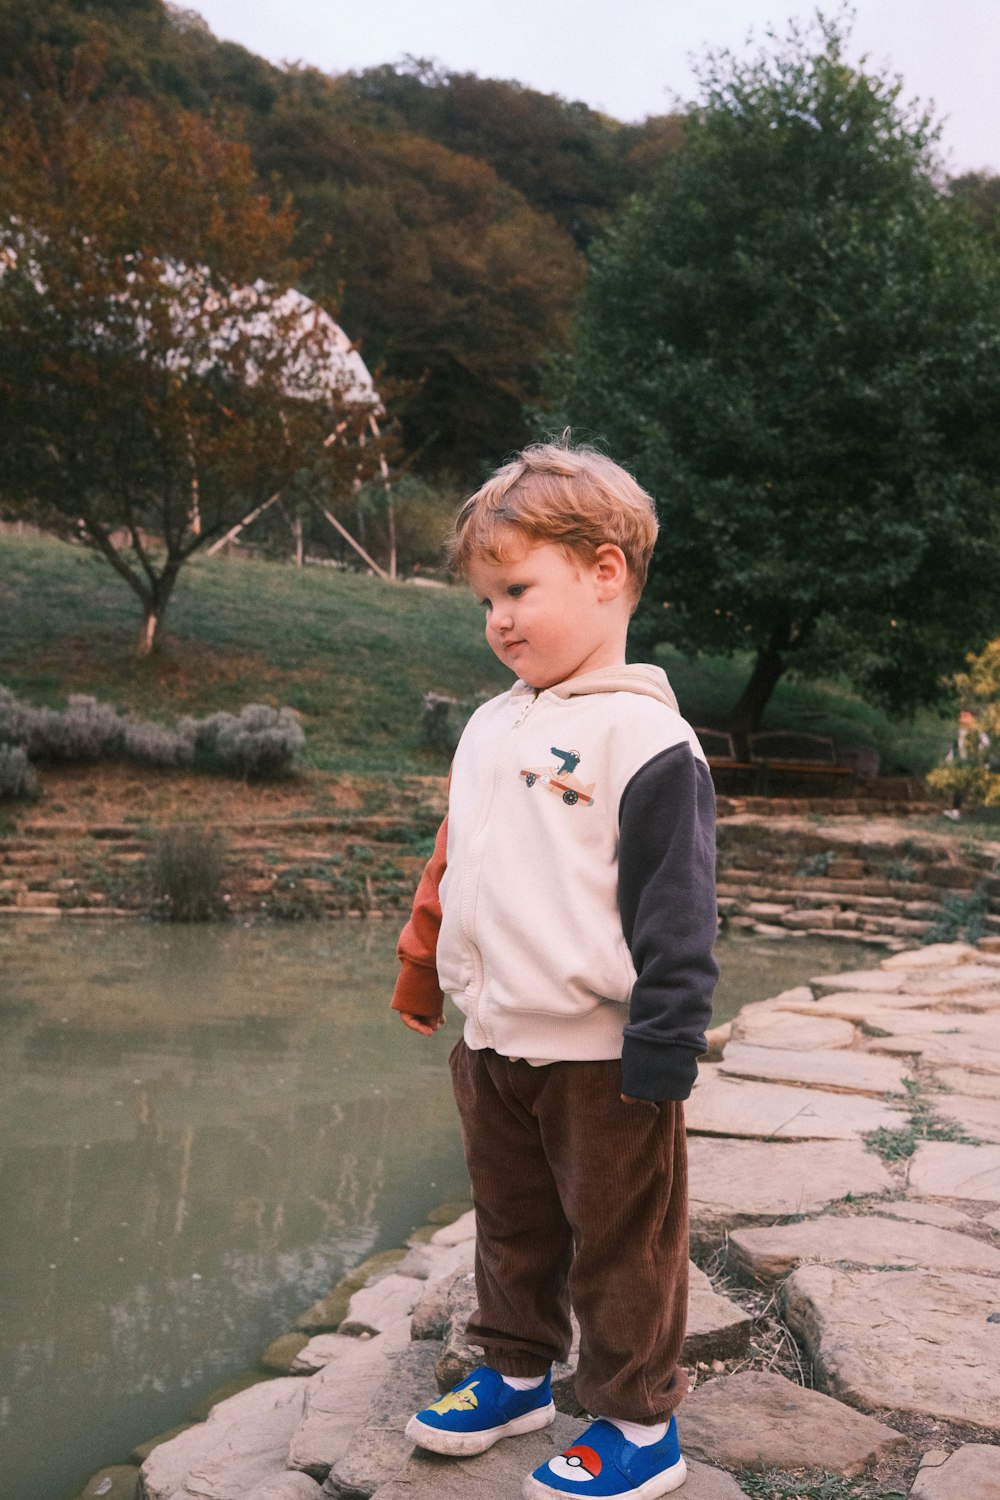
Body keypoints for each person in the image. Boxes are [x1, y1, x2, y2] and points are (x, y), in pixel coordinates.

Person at [390, 440, 718, 1500]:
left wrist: (664, 1048)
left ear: (606, 572)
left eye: (519, 589)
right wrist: (425, 973)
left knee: (620, 1244)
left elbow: (677, 905)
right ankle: (516, 1371)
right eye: (488, 598)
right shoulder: (489, 726)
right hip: (493, 1040)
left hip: (601, 1054)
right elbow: (457, 863)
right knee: (513, 1222)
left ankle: (634, 1424)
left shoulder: (645, 737)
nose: (500, 619)